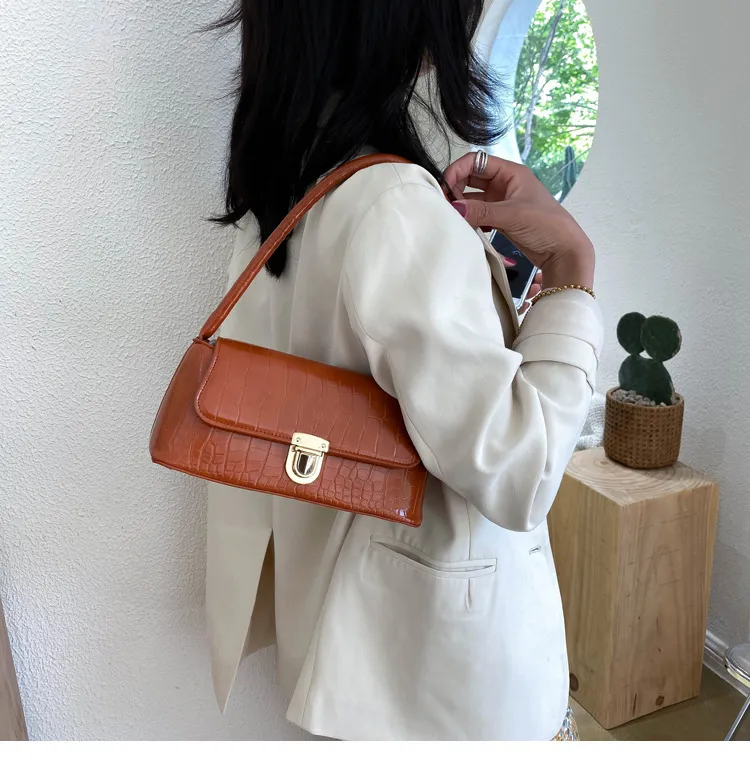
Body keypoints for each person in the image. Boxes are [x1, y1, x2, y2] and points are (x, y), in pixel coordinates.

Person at [204, 0, 602, 741]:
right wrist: (571, 268)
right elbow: (522, 470)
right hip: (443, 676)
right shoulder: (395, 209)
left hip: (355, 631)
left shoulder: (295, 176)